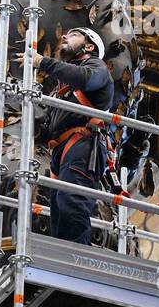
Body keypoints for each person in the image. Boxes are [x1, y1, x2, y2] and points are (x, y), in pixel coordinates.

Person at [32, 27, 115, 245]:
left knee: (72, 203)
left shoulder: (96, 67)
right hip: (63, 150)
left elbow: (86, 80)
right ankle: (64, 260)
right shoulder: (64, 90)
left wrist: (44, 63)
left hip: (82, 144)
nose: (64, 37)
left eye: (74, 35)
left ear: (89, 47)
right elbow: (44, 126)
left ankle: (77, 261)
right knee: (60, 211)